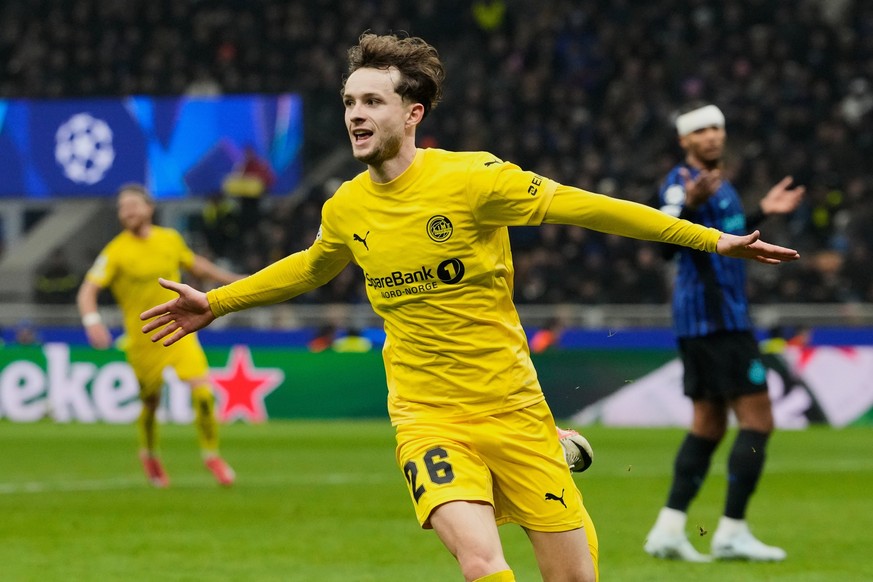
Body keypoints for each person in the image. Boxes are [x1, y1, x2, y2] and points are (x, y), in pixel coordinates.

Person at [140, 34, 798, 582]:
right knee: (482, 565)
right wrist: (218, 302)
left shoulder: (474, 179)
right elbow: (311, 266)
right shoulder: (345, 207)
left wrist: (711, 238)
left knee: (572, 577)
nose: (355, 114)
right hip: (427, 417)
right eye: (348, 102)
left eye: (372, 100)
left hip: (510, 407)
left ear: (413, 113)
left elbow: (591, 208)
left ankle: (551, 442)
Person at [644, 103, 805, 563]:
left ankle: (669, 529)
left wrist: (762, 212)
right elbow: (663, 242)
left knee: (709, 426)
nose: (712, 136)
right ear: (684, 141)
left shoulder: (722, 184)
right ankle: (732, 531)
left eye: (717, 128)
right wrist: (688, 207)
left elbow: (728, 234)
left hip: (708, 323)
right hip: (717, 323)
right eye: (700, 131)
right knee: (758, 422)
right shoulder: (680, 183)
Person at [77, 183, 243, 488]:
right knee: (150, 404)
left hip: (181, 330)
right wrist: (92, 321)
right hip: (144, 340)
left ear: (149, 208)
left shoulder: (170, 239)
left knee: (203, 392)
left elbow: (198, 267)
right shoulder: (115, 251)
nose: (127, 211)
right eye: (122, 207)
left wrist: (238, 283)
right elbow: (88, 290)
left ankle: (211, 455)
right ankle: (150, 454)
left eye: (133, 205)